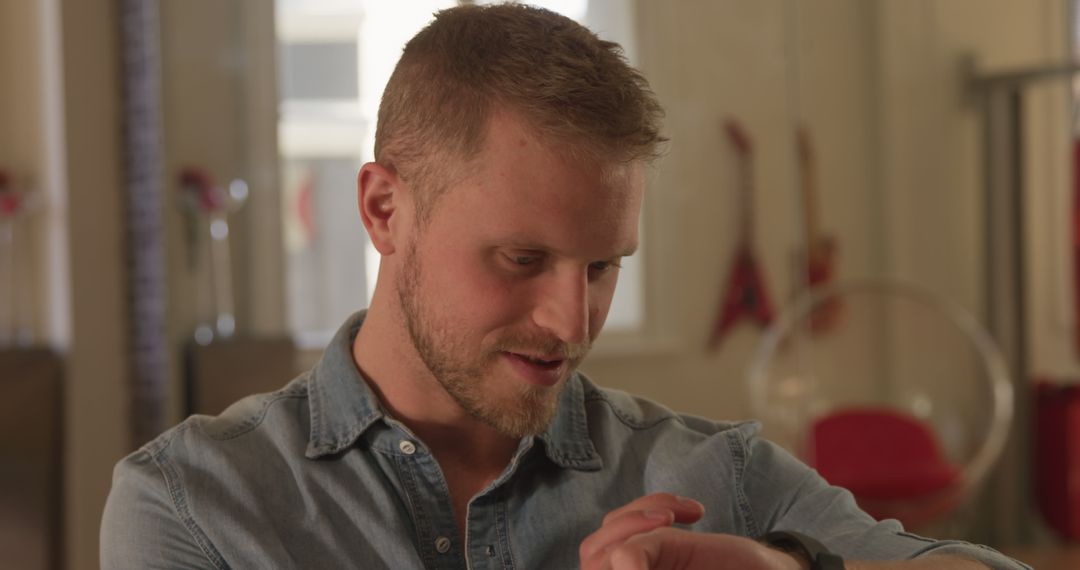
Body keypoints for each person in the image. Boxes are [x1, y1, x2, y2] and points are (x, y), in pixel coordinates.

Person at [101, 4, 1029, 569]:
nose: (570, 321)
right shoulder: (194, 505)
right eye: (521, 260)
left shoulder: (713, 480)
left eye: (603, 266)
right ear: (385, 209)